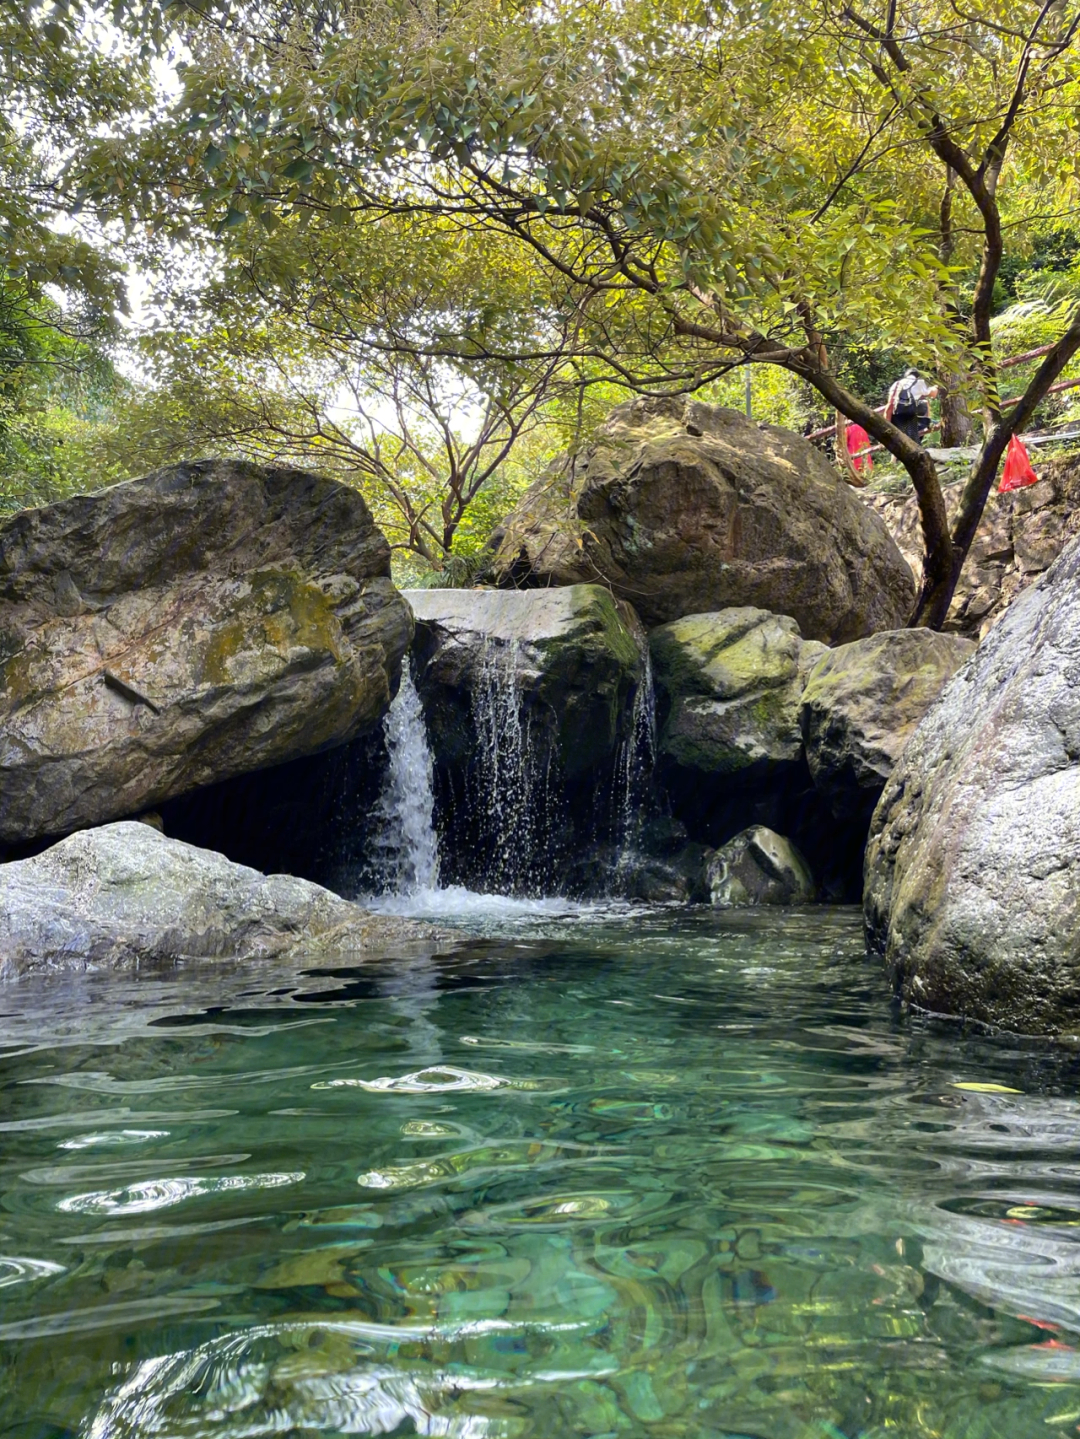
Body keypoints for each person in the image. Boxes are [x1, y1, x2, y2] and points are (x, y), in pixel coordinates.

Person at [885, 367, 938, 444]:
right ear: (917, 376)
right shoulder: (919, 382)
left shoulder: (896, 384)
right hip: (912, 419)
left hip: (897, 418)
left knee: (898, 445)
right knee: (924, 403)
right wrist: (935, 388)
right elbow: (933, 394)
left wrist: (887, 425)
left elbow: (890, 405)